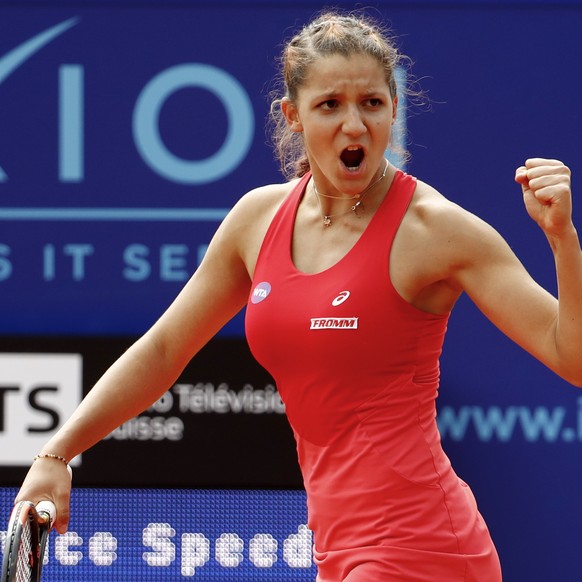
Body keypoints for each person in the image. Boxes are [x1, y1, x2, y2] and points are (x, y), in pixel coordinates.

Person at [15, 9, 581, 582]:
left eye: (372, 103)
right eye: (330, 104)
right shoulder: (256, 220)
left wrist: (562, 241)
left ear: (394, 109)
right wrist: (56, 452)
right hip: (336, 553)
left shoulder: (437, 231)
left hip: (424, 546)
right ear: (293, 116)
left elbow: (572, 358)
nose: (355, 125)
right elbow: (164, 350)